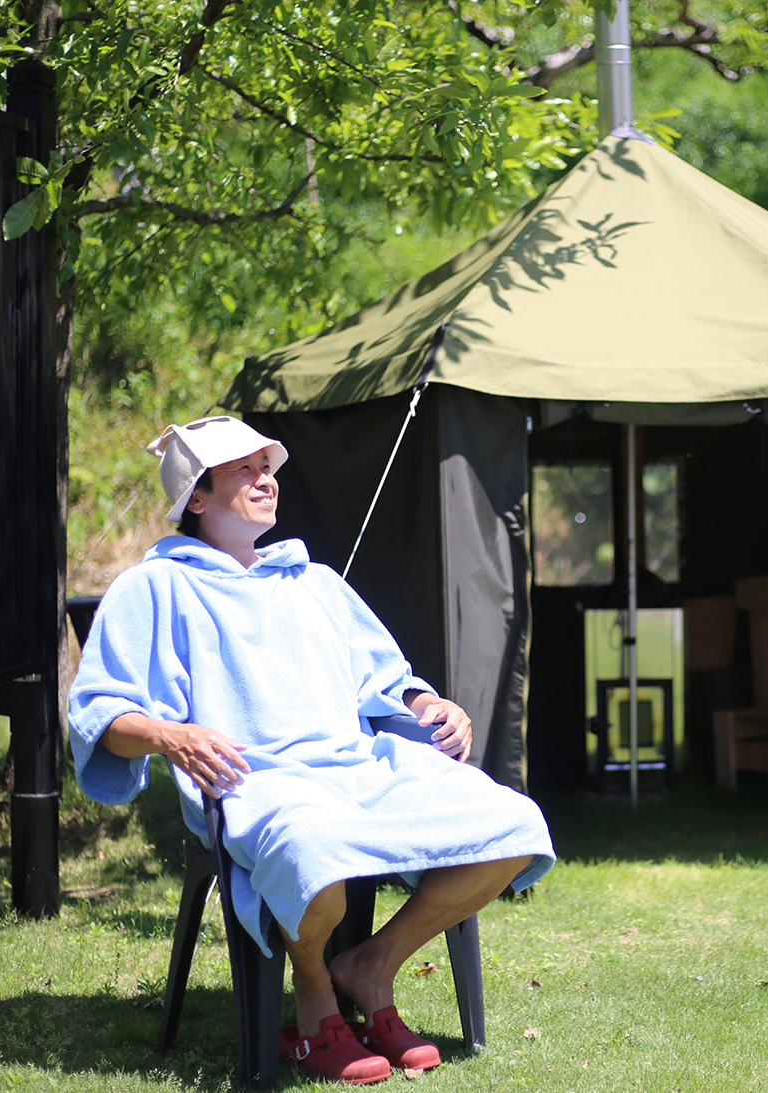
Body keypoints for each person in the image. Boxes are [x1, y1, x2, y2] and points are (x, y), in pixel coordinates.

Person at [68, 415, 555, 1086]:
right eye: (243, 470)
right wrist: (171, 735)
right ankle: (314, 996)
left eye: (266, 467)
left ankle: (372, 964)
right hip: (254, 779)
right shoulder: (154, 588)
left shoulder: (315, 582)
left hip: (358, 766)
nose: (265, 478)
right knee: (312, 846)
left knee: (514, 825)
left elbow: (386, 678)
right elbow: (99, 711)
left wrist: (429, 705)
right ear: (196, 498)